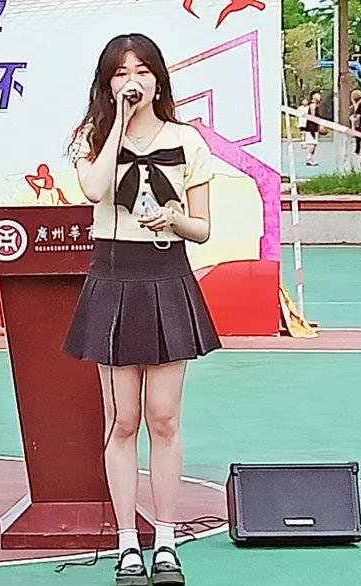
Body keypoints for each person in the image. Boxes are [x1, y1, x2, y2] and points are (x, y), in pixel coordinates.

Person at [63, 33, 219, 586]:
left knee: (164, 418)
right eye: (122, 72)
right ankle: (128, 542)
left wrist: (173, 219)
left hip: (167, 276)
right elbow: (93, 189)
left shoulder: (187, 140)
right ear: (108, 82)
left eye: (143, 71)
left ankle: (167, 541)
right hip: (113, 277)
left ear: (159, 78)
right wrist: (117, 126)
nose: (134, 81)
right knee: (123, 419)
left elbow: (202, 228)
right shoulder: (92, 138)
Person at [301, 90, 322, 166]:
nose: (319, 96)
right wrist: (320, 125)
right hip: (311, 127)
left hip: (313, 127)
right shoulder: (313, 105)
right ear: (313, 96)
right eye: (317, 95)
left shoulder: (316, 105)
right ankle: (309, 158)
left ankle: (309, 157)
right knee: (313, 143)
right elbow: (313, 117)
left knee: (314, 144)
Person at [348, 88, 361, 156]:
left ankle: (359, 149)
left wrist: (353, 102)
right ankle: (358, 149)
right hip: (358, 120)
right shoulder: (358, 102)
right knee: (357, 134)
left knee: (359, 134)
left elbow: (357, 109)